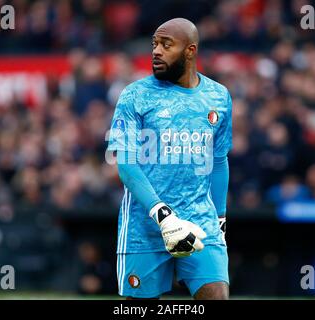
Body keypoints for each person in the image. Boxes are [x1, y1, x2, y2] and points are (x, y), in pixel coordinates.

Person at [107, 18, 232, 299]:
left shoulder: (219, 97)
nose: (156, 51)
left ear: (190, 51)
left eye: (166, 44)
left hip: (201, 222)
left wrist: (220, 220)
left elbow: (219, 160)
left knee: (216, 295)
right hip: (145, 227)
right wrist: (163, 216)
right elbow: (126, 165)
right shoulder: (134, 97)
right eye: (154, 44)